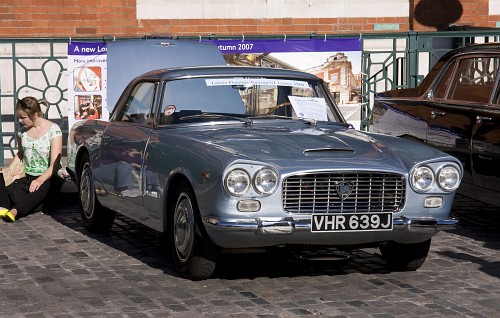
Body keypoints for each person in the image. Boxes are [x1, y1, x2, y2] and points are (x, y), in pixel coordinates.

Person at [0, 97, 63, 222]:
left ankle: (15, 211)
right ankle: (4, 206)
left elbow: (55, 165)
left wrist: (40, 179)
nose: (20, 120)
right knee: (1, 176)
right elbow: (21, 153)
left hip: (48, 176)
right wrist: (9, 170)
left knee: (42, 189)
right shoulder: (21, 130)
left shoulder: (53, 129)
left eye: (23, 117)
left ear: (35, 114)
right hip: (27, 177)